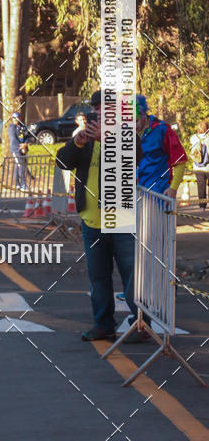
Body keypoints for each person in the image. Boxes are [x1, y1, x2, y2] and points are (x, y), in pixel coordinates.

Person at [56, 91, 146, 343]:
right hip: (92, 221)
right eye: (95, 107)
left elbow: (135, 158)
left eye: (103, 107)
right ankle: (103, 324)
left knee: (131, 275)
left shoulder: (126, 134)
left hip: (122, 220)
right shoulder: (84, 138)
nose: (98, 112)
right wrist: (78, 143)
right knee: (98, 277)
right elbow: (62, 162)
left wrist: (106, 139)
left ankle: (140, 324)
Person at [135, 95, 187, 197]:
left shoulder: (163, 130)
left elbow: (180, 160)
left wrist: (173, 188)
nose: (133, 126)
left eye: (135, 121)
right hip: (135, 196)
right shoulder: (126, 134)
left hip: (159, 195)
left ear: (143, 114)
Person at [190, 120, 209, 209]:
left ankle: (202, 206)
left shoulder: (193, 138)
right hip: (208, 167)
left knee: (201, 187)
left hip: (197, 167)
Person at [8, 112, 29, 190]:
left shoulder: (23, 127)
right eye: (14, 118)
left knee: (18, 166)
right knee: (21, 166)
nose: (16, 119)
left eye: (17, 118)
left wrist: (25, 144)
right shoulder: (11, 127)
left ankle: (17, 184)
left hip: (23, 149)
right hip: (16, 149)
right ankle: (23, 184)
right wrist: (20, 147)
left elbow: (27, 136)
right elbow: (13, 139)